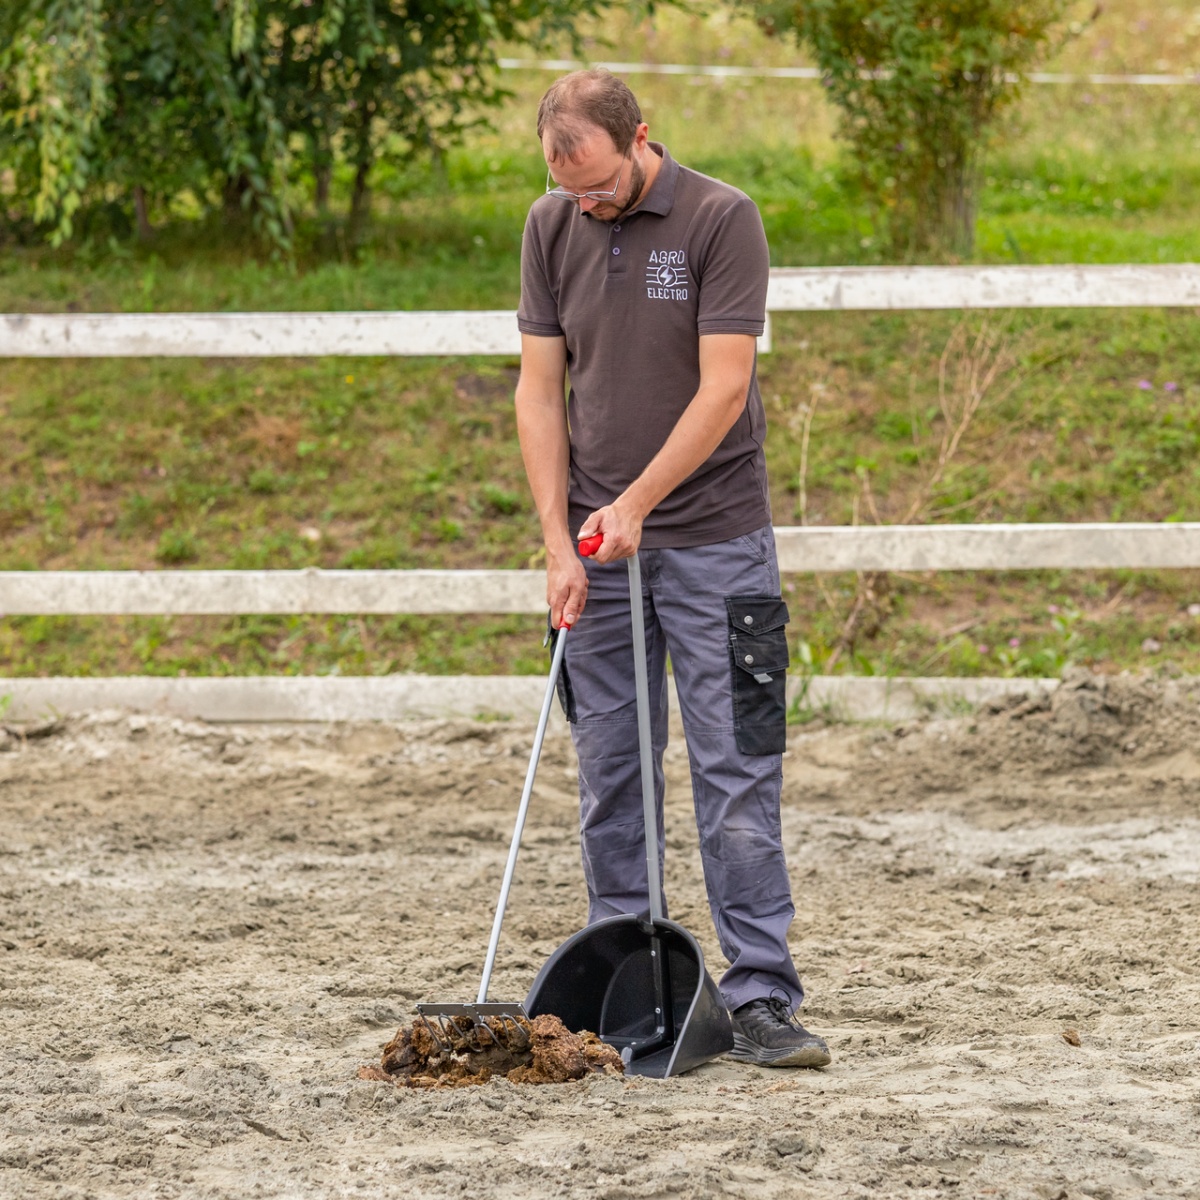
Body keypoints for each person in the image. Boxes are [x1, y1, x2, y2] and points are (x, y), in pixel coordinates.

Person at [513, 68, 829, 1069]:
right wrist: (559, 544)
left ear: (641, 137)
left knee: (737, 769)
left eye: (601, 185)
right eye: (569, 189)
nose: (587, 204)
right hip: (597, 555)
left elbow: (725, 386)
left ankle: (761, 992)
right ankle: (629, 981)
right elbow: (538, 392)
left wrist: (638, 503)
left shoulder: (722, 219)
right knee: (610, 771)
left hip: (717, 543)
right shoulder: (550, 226)